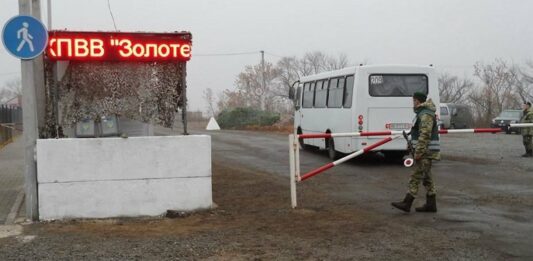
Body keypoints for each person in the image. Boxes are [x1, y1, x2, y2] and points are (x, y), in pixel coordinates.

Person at [392, 92, 440, 213]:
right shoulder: (422, 113)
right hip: (425, 151)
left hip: (425, 152)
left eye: (413, 100)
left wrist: (418, 151)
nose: (412, 103)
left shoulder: (425, 114)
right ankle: (431, 205)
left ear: (417, 101)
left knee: (415, 177)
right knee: (427, 178)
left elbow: (425, 134)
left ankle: (407, 203)